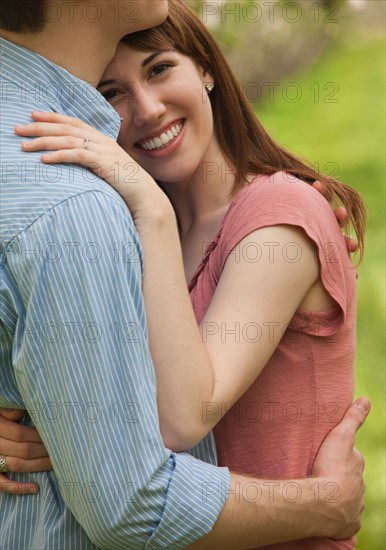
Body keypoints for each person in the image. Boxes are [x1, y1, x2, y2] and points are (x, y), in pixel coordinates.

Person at [0, 1, 368, 549]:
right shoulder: (128, 229)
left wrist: (151, 208)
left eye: (159, 69)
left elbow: (179, 420)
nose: (146, 109)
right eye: (111, 93)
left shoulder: (279, 219)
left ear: (207, 69)